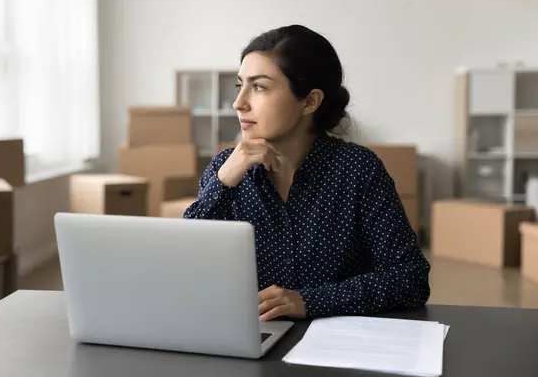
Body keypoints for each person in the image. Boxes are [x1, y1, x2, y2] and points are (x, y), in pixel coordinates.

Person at [183, 25, 430, 321]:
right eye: (240, 86)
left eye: (259, 86)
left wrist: (310, 301)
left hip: (337, 346)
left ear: (310, 101)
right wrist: (223, 183)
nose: (239, 103)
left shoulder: (358, 170)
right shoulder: (226, 168)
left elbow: (411, 278)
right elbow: (186, 264)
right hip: (249, 340)